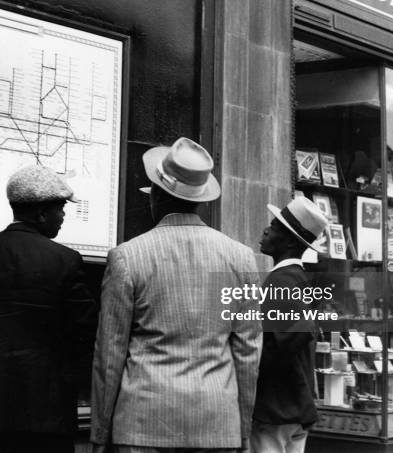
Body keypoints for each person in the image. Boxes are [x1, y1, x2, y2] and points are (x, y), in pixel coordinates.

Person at [90, 137, 262, 453]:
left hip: (143, 423)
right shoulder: (240, 258)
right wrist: (243, 428)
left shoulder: (128, 257)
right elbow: (248, 353)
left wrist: (100, 432)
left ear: (155, 194)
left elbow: (110, 354)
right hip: (216, 423)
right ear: (200, 199)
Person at [0, 165, 97, 453]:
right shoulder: (66, 261)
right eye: (60, 209)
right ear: (40, 214)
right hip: (47, 417)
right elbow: (84, 333)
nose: (63, 216)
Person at [251, 197, 328, 453]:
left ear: (289, 242)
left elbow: (295, 336)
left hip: (276, 410)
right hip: (294, 407)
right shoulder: (298, 278)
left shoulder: (281, 281)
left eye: (273, 228)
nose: (265, 231)